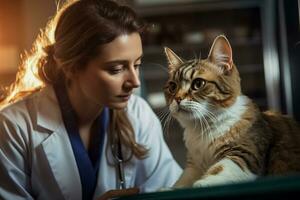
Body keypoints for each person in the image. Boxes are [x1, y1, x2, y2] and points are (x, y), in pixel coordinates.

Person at [0, 0, 182, 199]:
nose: (135, 81)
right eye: (116, 69)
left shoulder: (138, 114)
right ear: (71, 67)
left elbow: (173, 192)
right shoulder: (13, 127)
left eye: (136, 65)